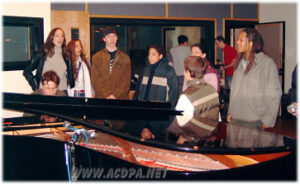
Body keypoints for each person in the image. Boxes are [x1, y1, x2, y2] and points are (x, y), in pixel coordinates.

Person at [227, 28, 282, 129]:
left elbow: (274, 94)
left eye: (241, 40)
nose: (237, 42)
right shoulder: (240, 63)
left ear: (251, 43)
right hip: (235, 119)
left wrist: (268, 119)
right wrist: (230, 112)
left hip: (253, 121)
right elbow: (234, 91)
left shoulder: (266, 64)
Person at [134, 44, 179, 140]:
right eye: (149, 54)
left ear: (160, 56)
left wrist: (168, 117)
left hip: (159, 118)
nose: (150, 57)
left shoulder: (169, 72)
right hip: (144, 115)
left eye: (153, 54)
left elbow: (173, 96)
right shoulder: (145, 70)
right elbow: (138, 92)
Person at [175, 56, 219, 144]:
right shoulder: (212, 90)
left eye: (184, 70)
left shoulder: (186, 96)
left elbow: (181, 122)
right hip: (210, 134)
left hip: (192, 138)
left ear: (188, 72)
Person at [23, 27, 74, 92]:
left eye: (62, 36)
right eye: (57, 36)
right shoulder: (43, 52)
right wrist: (36, 87)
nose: (60, 38)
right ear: (51, 38)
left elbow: (69, 73)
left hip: (62, 91)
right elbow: (27, 71)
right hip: (47, 92)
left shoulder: (66, 53)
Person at [91, 26, 131, 99]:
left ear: (117, 38)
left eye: (114, 36)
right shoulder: (96, 57)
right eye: (109, 36)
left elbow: (126, 81)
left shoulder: (125, 58)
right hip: (102, 99)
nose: (112, 39)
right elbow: (95, 80)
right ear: (104, 39)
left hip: (120, 99)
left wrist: (115, 95)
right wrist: (107, 95)